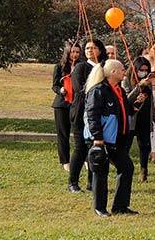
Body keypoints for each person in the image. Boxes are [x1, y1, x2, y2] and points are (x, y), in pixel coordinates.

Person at [83, 58, 136, 217]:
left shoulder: (120, 90)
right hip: (102, 139)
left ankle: (120, 206)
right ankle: (100, 208)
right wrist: (97, 138)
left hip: (118, 139)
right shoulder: (98, 90)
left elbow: (126, 111)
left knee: (127, 168)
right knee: (100, 172)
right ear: (113, 72)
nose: (124, 72)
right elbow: (92, 115)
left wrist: (137, 104)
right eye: (121, 70)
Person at [69, 38, 105, 193]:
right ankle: (73, 183)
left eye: (94, 47)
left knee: (94, 147)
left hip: (98, 114)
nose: (90, 50)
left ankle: (92, 182)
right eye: (87, 48)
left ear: (100, 50)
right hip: (81, 112)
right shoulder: (80, 67)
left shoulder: (104, 67)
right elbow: (79, 89)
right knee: (80, 149)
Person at [122, 56, 155, 183]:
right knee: (127, 145)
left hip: (145, 116)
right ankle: (124, 169)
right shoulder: (126, 80)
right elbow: (126, 100)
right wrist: (138, 87)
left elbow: (151, 100)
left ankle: (144, 171)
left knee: (145, 145)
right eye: (141, 69)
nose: (144, 72)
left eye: (146, 70)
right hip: (131, 117)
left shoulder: (149, 81)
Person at [52, 40, 81, 173]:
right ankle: (65, 161)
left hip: (77, 104)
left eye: (77, 52)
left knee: (79, 133)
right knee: (63, 134)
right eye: (73, 52)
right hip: (62, 104)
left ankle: (82, 159)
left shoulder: (82, 66)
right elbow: (55, 85)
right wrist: (61, 90)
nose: (75, 54)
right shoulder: (59, 66)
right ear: (68, 52)